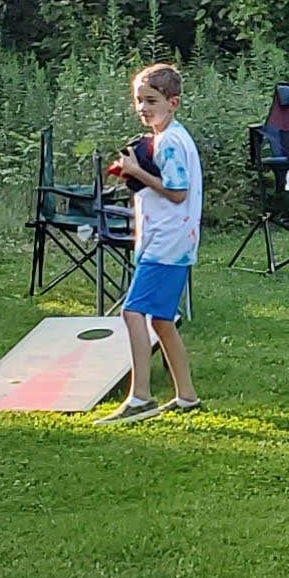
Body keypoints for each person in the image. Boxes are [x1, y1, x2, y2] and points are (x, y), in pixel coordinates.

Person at [103, 62, 205, 422]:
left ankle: (141, 396)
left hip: (168, 243)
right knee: (162, 321)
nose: (143, 108)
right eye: (138, 101)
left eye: (151, 101)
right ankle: (187, 397)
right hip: (172, 241)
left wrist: (135, 172)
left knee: (133, 312)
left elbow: (177, 193)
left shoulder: (171, 142)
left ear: (173, 103)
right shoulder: (165, 139)